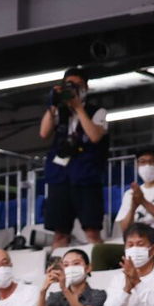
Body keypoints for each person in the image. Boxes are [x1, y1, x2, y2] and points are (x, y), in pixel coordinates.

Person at [40, 67, 108, 247]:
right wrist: (53, 104)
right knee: (60, 234)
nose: (73, 89)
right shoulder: (58, 111)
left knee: (92, 231)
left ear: (86, 88)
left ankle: (99, 268)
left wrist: (78, 108)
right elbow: (43, 132)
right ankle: (58, 271)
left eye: (78, 86)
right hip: (60, 177)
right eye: (69, 85)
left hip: (86, 177)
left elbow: (94, 136)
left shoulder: (97, 111)